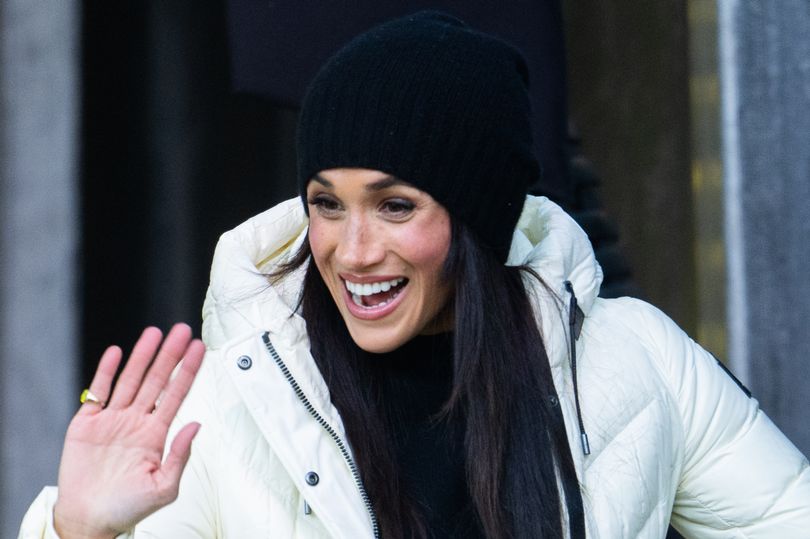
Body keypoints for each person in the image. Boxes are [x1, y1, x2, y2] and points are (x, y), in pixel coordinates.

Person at [20, 11, 810, 539]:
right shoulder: (230, 400)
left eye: (396, 206)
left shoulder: (635, 359)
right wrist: (77, 531)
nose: (352, 249)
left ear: (478, 215)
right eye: (326, 203)